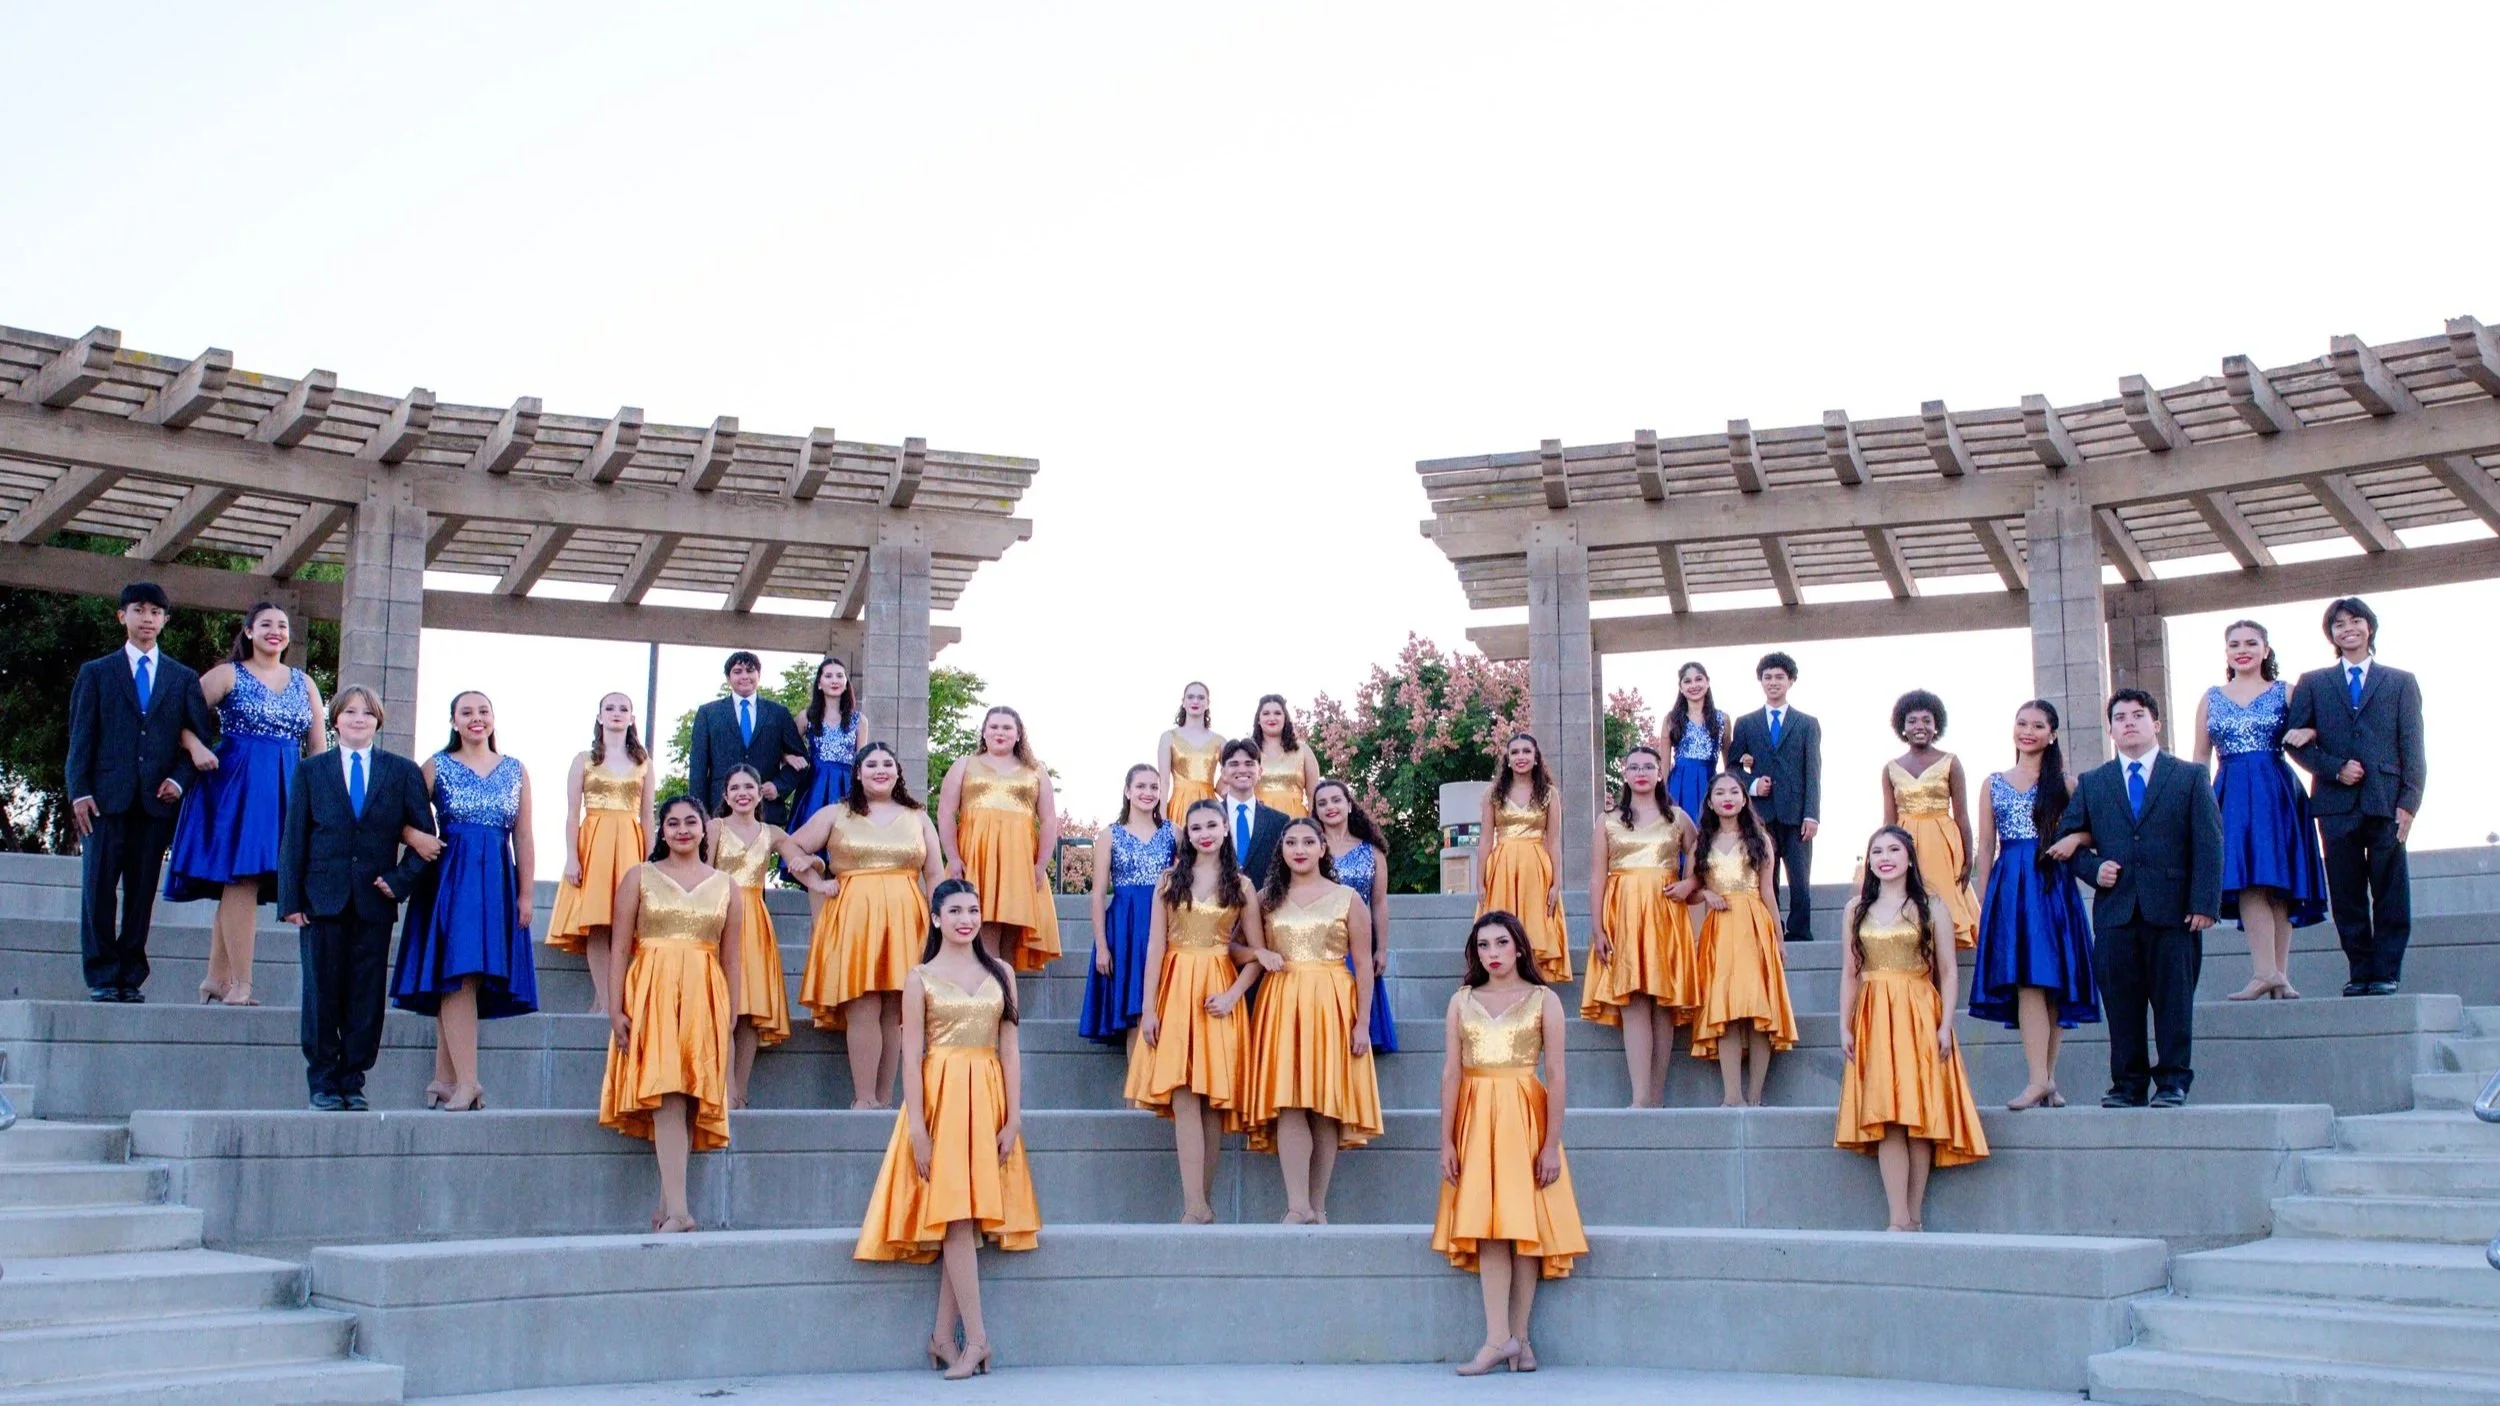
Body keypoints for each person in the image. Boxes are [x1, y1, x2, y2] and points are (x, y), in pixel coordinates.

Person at [855, 879, 1040, 1381]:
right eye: (955, 910)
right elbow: (911, 1056)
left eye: (973, 910)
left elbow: (1010, 1049)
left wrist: (1014, 1116)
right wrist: (917, 1126)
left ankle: (942, 1336)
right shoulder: (920, 978)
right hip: (941, 1099)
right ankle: (977, 1339)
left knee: (966, 1216)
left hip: (988, 1096)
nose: (966, 919)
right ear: (936, 918)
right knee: (956, 1215)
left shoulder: (1001, 972)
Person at [1433, 910, 1586, 1377]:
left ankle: (1518, 1338)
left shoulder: (1544, 1000)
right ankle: (1499, 1338)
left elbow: (1556, 1074)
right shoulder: (1461, 1001)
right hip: (1476, 1117)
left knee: (1523, 1227)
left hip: (1524, 1116)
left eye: (1501, 943)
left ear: (1519, 947)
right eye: (1483, 945)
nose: (1492, 953)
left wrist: (1551, 1144)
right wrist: (1446, 1141)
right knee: (1488, 1227)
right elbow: (1451, 1073)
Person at [2055, 689, 2223, 1108]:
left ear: (2156, 724)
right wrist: (2094, 869)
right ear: (2110, 729)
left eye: (2137, 715)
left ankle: (2173, 1082)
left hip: (2174, 911)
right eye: (2120, 717)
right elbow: (2066, 842)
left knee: (2174, 1002)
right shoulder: (2094, 783)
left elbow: (2209, 842)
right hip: (2116, 913)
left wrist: (2204, 903)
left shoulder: (2188, 776)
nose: (2129, 722)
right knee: (2122, 1005)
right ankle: (2127, 1085)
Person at [278, 686, 435, 1111]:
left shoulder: (401, 772)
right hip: (321, 901)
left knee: (365, 995)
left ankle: (353, 1080)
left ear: (378, 721)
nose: (358, 719)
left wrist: (399, 881)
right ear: (336, 720)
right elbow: (294, 839)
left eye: (367, 713)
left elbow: (426, 840)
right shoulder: (311, 771)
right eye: (350, 712)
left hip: (373, 902)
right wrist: (290, 900)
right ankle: (323, 1081)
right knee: (321, 993)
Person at [163, 601, 326, 1006]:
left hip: (286, 784)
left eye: (282, 625)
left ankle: (216, 978)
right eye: (266, 624)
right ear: (249, 631)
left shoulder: (304, 682)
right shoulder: (228, 674)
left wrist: (322, 799)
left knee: (244, 883)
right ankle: (241, 985)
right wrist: (196, 746)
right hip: (234, 784)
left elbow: (318, 747)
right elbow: (175, 715)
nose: (275, 631)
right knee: (243, 878)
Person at [600, 796, 743, 1232]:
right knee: (667, 1094)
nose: (682, 830)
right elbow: (619, 948)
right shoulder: (639, 877)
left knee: (687, 1098)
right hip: (652, 991)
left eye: (691, 822)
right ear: (662, 830)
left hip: (704, 993)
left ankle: (667, 1206)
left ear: (704, 829)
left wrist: (731, 1013)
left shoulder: (727, 885)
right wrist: (614, 1008)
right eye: (673, 823)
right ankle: (680, 1212)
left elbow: (732, 957)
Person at [1836, 828, 1989, 1231]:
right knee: (1887, 1116)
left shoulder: (1932, 906)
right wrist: (1844, 1025)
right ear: (1869, 861)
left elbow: (1949, 972)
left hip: (1920, 1011)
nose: (1885, 858)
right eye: (1877, 851)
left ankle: (1915, 1217)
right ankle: (1897, 1218)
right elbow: (1850, 973)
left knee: (1919, 1115)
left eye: (1893, 850)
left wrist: (1946, 1023)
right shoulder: (1855, 909)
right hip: (1873, 1013)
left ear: (1909, 858)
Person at [66, 581, 212, 1002]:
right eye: (139, 610)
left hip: (155, 803)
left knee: (142, 892)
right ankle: (101, 975)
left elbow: (198, 740)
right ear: (122, 616)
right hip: (103, 800)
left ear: (165, 620)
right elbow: (81, 739)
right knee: (98, 889)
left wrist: (179, 781)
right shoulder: (96, 673)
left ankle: (130, 976)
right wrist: (79, 791)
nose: (147, 619)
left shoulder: (182, 678)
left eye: (155, 612)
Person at [392, 690, 536, 1110]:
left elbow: (524, 835)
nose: (476, 718)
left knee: (462, 976)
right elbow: (399, 817)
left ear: (493, 718)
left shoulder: (516, 769)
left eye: (483, 711)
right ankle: (468, 1082)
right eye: (466, 712)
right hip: (450, 878)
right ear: (453, 721)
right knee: (458, 973)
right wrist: (414, 837)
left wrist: (526, 893)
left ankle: (444, 1079)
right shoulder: (435, 765)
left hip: (497, 879)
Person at [1127, 799, 1267, 1224]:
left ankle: (1200, 1205)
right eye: (1195, 827)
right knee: (1184, 1096)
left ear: (1225, 829)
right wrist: (1148, 1007)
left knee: (1210, 1102)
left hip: (1218, 992)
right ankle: (1195, 1206)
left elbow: (1258, 954)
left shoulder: (1242, 885)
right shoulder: (1168, 880)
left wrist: (1233, 996)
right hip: (1175, 989)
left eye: (1211, 825)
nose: (1204, 833)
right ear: (1186, 834)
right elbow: (1155, 946)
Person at [785, 742, 946, 1109]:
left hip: (906, 919)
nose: (880, 770)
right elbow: (790, 847)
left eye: (888, 763)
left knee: (894, 1010)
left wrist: (940, 921)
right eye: (871, 764)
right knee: (863, 1004)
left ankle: (884, 1101)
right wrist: (816, 875)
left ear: (898, 772)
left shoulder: (918, 817)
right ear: (857, 773)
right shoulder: (836, 813)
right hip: (854, 919)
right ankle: (863, 1098)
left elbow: (935, 873)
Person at [2286, 597, 2427, 997]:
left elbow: (2413, 747)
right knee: (2346, 893)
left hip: (2387, 801)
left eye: (2355, 621)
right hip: (2335, 805)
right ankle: (2360, 970)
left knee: (2390, 890)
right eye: (2338, 624)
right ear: (2330, 634)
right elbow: (2294, 742)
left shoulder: (2400, 681)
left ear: (2369, 627)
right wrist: (2335, 768)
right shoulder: (2313, 682)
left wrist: (2409, 803)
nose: (2347, 629)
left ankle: (2386, 971)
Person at [1243, 818, 1382, 1224]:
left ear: (1323, 848)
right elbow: (1236, 947)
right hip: (1281, 1003)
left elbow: (1364, 966)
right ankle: (1296, 1205)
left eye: (1308, 842)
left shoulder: (1348, 898)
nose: (1299, 849)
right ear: (1282, 850)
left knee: (1325, 1105)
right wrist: (1259, 954)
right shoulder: (1265, 898)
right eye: (1291, 842)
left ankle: (1317, 1207)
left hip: (1332, 1003)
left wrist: (1362, 1023)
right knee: (1289, 1102)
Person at [1969, 701, 2099, 1110]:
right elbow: (1985, 847)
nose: (2028, 731)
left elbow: (2092, 833)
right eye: (2022, 723)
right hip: (2010, 885)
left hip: (2052, 883)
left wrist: (2073, 839)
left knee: (2054, 982)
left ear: (2052, 734)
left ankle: (2046, 1079)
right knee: (2026, 980)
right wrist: (1985, 901)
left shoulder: (2068, 784)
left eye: (2038, 725)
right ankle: (2038, 1079)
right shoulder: (1993, 783)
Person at [2196, 621, 2328, 1001]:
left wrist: (2310, 732)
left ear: (2266, 650)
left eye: (2251, 643)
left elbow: (2318, 729)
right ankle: (2263, 972)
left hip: (2277, 790)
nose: (2243, 650)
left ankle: (2278, 974)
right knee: (2247, 878)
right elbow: (2200, 756)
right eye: (2234, 644)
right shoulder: (2211, 697)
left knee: (2280, 882)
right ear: (2226, 653)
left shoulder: (2286, 691)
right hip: (2231, 792)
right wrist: (2198, 804)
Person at [1580, 745, 1699, 1107]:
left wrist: (1690, 883)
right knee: (1633, 1000)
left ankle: (1656, 1096)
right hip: (1624, 914)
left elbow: (1702, 856)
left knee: (1663, 1005)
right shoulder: (1607, 821)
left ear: (1660, 774)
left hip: (1665, 913)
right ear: (1625, 774)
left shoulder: (1678, 818)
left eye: (1649, 766)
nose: (1642, 772)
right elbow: (1597, 878)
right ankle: (1640, 1097)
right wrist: (1598, 928)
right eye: (1634, 767)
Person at [545, 693, 655, 1017]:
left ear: (632, 718)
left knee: (626, 922)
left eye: (623, 709)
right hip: (594, 842)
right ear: (600, 716)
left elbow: (648, 816)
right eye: (610, 708)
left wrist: (650, 860)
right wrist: (571, 856)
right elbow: (571, 812)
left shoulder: (643, 763)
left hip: (630, 843)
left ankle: (606, 1000)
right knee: (598, 922)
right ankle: (607, 1003)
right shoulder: (583, 760)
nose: (616, 713)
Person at [1690, 772, 1796, 1107]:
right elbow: (1689, 890)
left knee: (1757, 1012)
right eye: (1720, 793)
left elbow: (1768, 891)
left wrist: (1778, 938)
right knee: (1728, 1013)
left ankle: (1755, 1097)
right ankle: (1732, 1096)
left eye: (1734, 792)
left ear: (1744, 798)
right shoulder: (1701, 843)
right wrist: (1706, 893)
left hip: (1753, 925)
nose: (1727, 798)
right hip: (1719, 929)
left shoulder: (1760, 839)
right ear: (1710, 802)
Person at [936, 706, 1062, 972]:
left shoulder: (1035, 771)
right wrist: (954, 857)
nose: (999, 732)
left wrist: (1041, 864)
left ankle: (1005, 994)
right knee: (984, 928)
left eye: (1007, 728)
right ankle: (992, 993)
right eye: (993, 727)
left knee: (1010, 939)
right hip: (976, 858)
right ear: (984, 732)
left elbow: (1049, 820)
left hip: (1018, 861)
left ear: (1018, 734)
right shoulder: (965, 765)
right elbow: (946, 812)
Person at [710, 766, 790, 1109]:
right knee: (722, 1004)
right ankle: (721, 1090)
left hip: (755, 921)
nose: (742, 793)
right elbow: (702, 869)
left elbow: (799, 858)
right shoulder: (715, 828)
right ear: (726, 795)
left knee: (748, 1011)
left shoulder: (772, 833)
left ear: (760, 794)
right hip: (720, 915)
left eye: (749, 787)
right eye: (735, 788)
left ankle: (739, 1093)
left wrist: (817, 872)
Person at [1729, 651, 1821, 942]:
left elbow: (1813, 771)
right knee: (1766, 872)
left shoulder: (1807, 723)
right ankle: (1771, 927)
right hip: (1760, 813)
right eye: (1767, 677)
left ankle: (1800, 930)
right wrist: (1753, 784)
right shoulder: (1746, 723)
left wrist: (1812, 815)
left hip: (1796, 812)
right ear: (1760, 681)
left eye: (1779, 677)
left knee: (1799, 875)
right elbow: (1732, 767)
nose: (1773, 682)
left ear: (1791, 681)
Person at [1081, 765, 1173, 1048]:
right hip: (1125, 928)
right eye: (1141, 786)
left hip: (1163, 922)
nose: (1148, 793)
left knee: (1163, 1003)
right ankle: (1136, 1076)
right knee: (1133, 1011)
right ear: (1127, 791)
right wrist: (1102, 946)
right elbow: (1098, 894)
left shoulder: (1173, 832)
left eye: (1154, 787)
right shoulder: (1110, 835)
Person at [1881, 690, 1979, 950]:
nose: (1919, 726)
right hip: (1905, 844)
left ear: (1936, 725)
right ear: (1902, 727)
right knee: (1912, 909)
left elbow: (1962, 814)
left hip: (1942, 843)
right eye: (1912, 721)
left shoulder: (1951, 762)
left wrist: (1969, 856)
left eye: (1927, 720)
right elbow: (1888, 820)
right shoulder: (1890, 768)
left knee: (1942, 907)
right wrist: (1884, 854)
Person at [1475, 734, 1570, 984]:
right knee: (1500, 929)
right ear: (1507, 759)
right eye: (1515, 752)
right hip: (1502, 867)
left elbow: (1554, 841)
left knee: (1535, 929)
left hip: (1536, 868)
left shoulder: (1549, 794)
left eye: (1526, 751)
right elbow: (1485, 840)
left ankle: (1534, 989)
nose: (1521, 757)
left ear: (1536, 757)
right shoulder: (1493, 794)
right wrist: (1480, 881)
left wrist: (1556, 883)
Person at [1315, 779, 1397, 1055]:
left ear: (1349, 805)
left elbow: (1379, 902)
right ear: (1315, 811)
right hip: (1322, 943)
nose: (1330, 807)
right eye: (1322, 803)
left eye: (1336, 800)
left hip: (1359, 942)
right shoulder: (1311, 849)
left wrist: (1381, 948)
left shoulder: (1372, 851)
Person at [687, 651, 805, 824]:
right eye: (737, 671)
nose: (744, 676)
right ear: (728, 678)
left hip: (766, 810)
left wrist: (779, 786)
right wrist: (699, 813)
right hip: (720, 811)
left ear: (759, 675)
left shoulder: (778, 713)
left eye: (750, 671)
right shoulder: (708, 713)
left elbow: (802, 760)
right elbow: (698, 768)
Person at [787, 656, 864, 865]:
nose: (834, 680)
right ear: (819, 683)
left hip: (846, 787)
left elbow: (862, 761)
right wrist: (789, 757)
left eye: (840, 676)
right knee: (811, 847)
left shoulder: (859, 720)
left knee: (845, 847)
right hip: (815, 787)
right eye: (828, 676)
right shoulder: (806, 717)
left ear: (846, 683)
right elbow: (786, 746)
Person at [1212, 738, 1290, 885]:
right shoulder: (1209, 819)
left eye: (1249, 764)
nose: (1242, 770)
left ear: (1260, 771)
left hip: (1266, 897)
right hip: (1218, 896)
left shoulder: (1279, 822)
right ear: (1223, 773)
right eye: (1234, 764)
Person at [1662, 662, 1730, 821]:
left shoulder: (1722, 719)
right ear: (1680, 687)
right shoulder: (1671, 720)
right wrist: (1661, 795)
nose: (1693, 685)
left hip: (1710, 782)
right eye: (1687, 681)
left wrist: (1728, 790)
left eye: (1698, 679)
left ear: (1707, 682)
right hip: (1679, 785)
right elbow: (1664, 765)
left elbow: (1729, 764)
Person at [1158, 682, 1223, 821]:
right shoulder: (1168, 737)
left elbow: (1232, 773)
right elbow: (1164, 781)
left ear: (1207, 703)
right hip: (1179, 806)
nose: (1195, 701)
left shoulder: (1220, 741)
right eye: (1191, 697)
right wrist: (1161, 817)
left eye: (1201, 697)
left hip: (1210, 805)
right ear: (1183, 702)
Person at [1251, 693, 1320, 819]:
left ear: (1285, 718)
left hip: (1296, 822)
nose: (1272, 718)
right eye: (1266, 713)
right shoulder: (1249, 753)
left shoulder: (1303, 751)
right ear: (1258, 720)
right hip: (1259, 821)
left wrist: (1313, 824)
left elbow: (1313, 795)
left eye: (1277, 713)